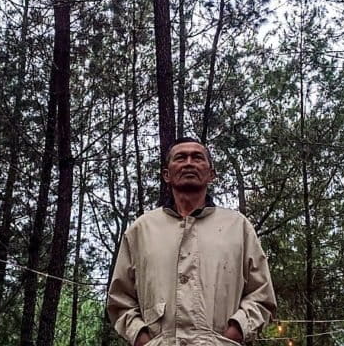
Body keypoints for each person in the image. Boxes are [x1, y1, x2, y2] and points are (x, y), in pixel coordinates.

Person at [107, 137, 276, 346]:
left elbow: (262, 295)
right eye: (180, 157)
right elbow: (120, 299)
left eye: (197, 158)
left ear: (211, 174)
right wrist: (143, 340)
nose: (189, 163)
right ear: (166, 175)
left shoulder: (238, 227)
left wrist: (233, 333)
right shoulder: (141, 230)